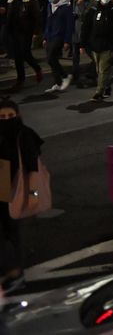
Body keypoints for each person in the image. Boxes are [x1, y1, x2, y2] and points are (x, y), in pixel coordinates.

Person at [0, 99, 43, 290]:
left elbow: (33, 169)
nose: (7, 120)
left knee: (10, 230)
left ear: (18, 115)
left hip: (15, 186)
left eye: (10, 116)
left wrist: (33, 194)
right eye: (2, 117)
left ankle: (16, 273)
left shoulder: (24, 135)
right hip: (1, 183)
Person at [1, 0, 43, 89]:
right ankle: (20, 79)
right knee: (17, 57)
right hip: (14, 32)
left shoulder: (31, 1)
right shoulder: (11, 1)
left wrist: (36, 32)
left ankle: (37, 68)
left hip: (26, 32)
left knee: (25, 53)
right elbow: (9, 17)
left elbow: (37, 18)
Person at [85, 0, 113, 102]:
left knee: (103, 69)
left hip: (108, 45)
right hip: (96, 45)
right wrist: (84, 43)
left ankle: (98, 92)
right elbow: (87, 27)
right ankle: (107, 86)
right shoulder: (94, 9)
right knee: (99, 69)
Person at [42, 0, 75, 93]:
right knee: (52, 60)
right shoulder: (49, 5)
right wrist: (45, 37)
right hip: (50, 36)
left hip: (59, 36)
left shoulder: (66, 8)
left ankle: (65, 76)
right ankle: (58, 82)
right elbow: (48, 22)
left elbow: (69, 25)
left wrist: (67, 41)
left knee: (51, 58)